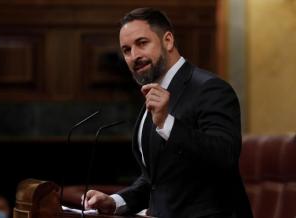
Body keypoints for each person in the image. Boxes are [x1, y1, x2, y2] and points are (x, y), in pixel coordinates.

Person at [81, 8, 253, 218]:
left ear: (168, 41)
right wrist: (115, 201)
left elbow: (224, 156)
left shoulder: (210, 88)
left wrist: (166, 123)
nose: (134, 56)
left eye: (142, 43)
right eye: (126, 50)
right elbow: (156, 181)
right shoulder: (152, 94)